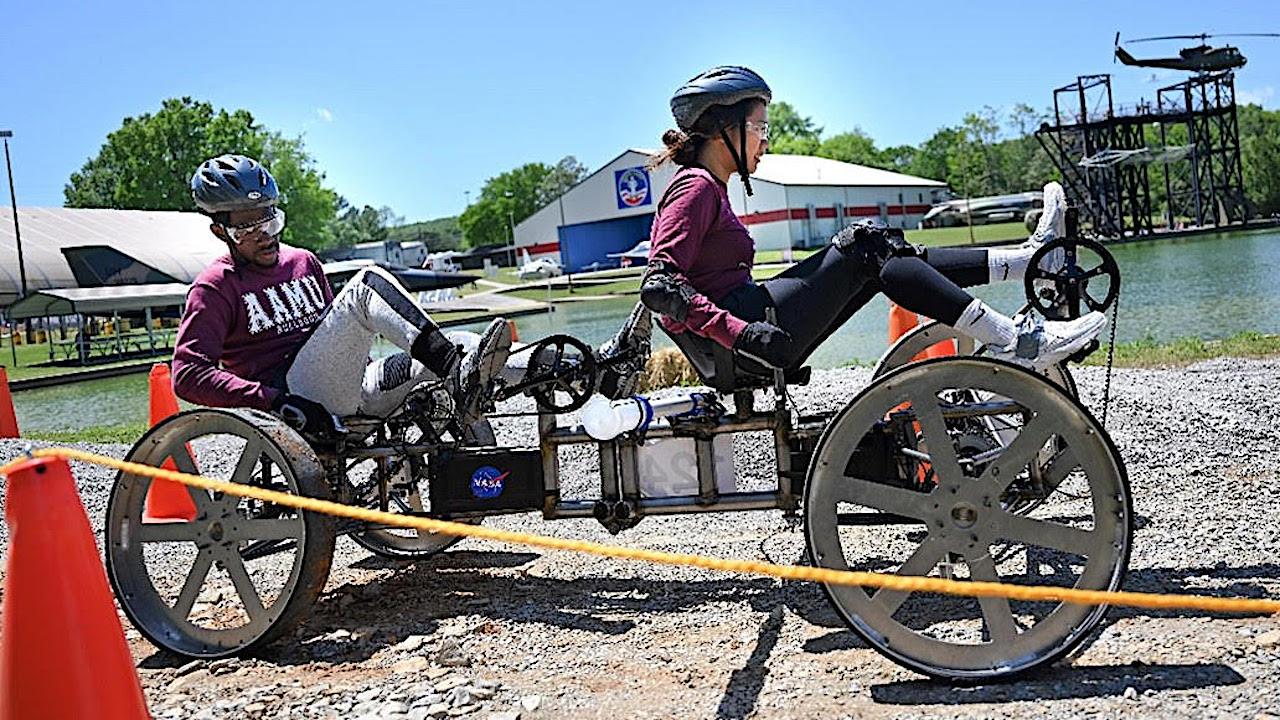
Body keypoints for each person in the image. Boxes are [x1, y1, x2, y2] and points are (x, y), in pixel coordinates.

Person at [640, 66, 1106, 373]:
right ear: (725, 132)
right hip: (744, 343)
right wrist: (741, 333)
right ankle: (1015, 336)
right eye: (760, 128)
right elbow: (660, 285)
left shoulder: (709, 188)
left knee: (885, 253)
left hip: (748, 330)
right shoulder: (696, 187)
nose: (765, 142)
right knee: (867, 247)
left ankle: (1030, 263)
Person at [172, 154, 511, 436]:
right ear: (220, 232)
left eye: (271, 222)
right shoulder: (215, 286)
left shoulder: (303, 262)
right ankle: (455, 367)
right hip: (292, 398)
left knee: (467, 343)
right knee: (365, 285)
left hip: (355, 386)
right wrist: (272, 401)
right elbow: (187, 375)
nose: (266, 236)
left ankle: (550, 367)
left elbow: (338, 337)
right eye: (249, 229)